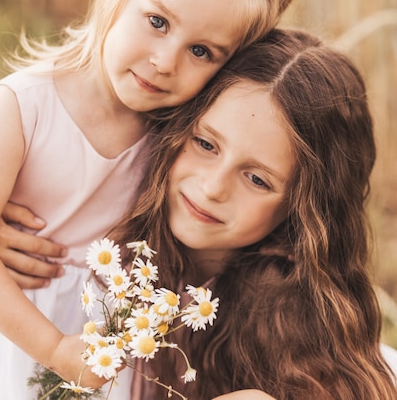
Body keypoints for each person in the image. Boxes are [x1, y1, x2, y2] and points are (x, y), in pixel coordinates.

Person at [0, 0, 324, 398]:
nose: (166, 61)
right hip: (26, 330)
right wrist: (52, 349)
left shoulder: (177, 133)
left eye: (202, 51)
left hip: (117, 347)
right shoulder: (23, 107)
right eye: (158, 21)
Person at [104, 28, 397, 400]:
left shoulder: (298, 337)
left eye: (257, 179)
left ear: (301, 211)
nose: (213, 187)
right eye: (206, 143)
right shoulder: (105, 223)